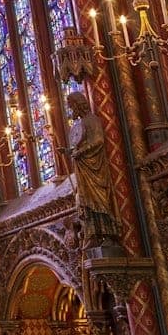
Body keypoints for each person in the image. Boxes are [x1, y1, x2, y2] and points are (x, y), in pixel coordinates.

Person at [63, 90, 120, 251]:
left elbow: (99, 140)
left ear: (78, 105)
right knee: (86, 202)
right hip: (84, 170)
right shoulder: (80, 124)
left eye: (71, 106)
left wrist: (80, 152)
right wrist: (68, 152)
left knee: (99, 201)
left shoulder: (92, 120)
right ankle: (93, 234)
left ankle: (107, 234)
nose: (70, 110)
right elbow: (79, 143)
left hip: (95, 168)